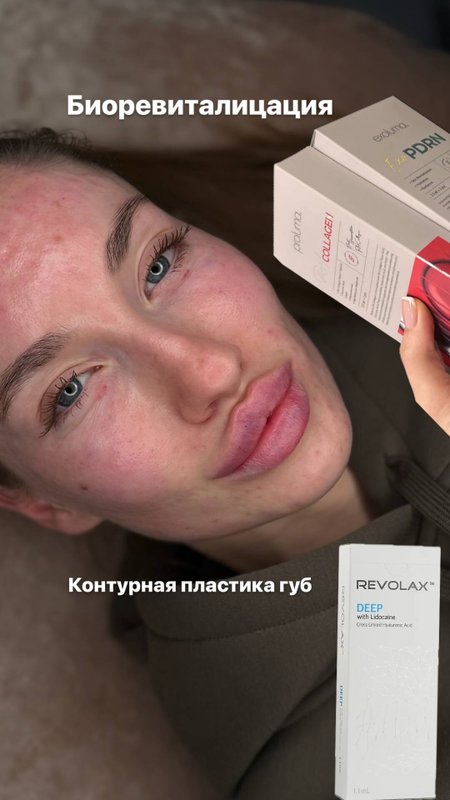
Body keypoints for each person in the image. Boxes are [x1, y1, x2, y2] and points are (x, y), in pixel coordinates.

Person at [0, 129, 449, 799]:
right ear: (46, 503)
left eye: (158, 265)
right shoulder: (341, 772)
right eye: (70, 390)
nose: (211, 371)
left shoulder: (402, 263)